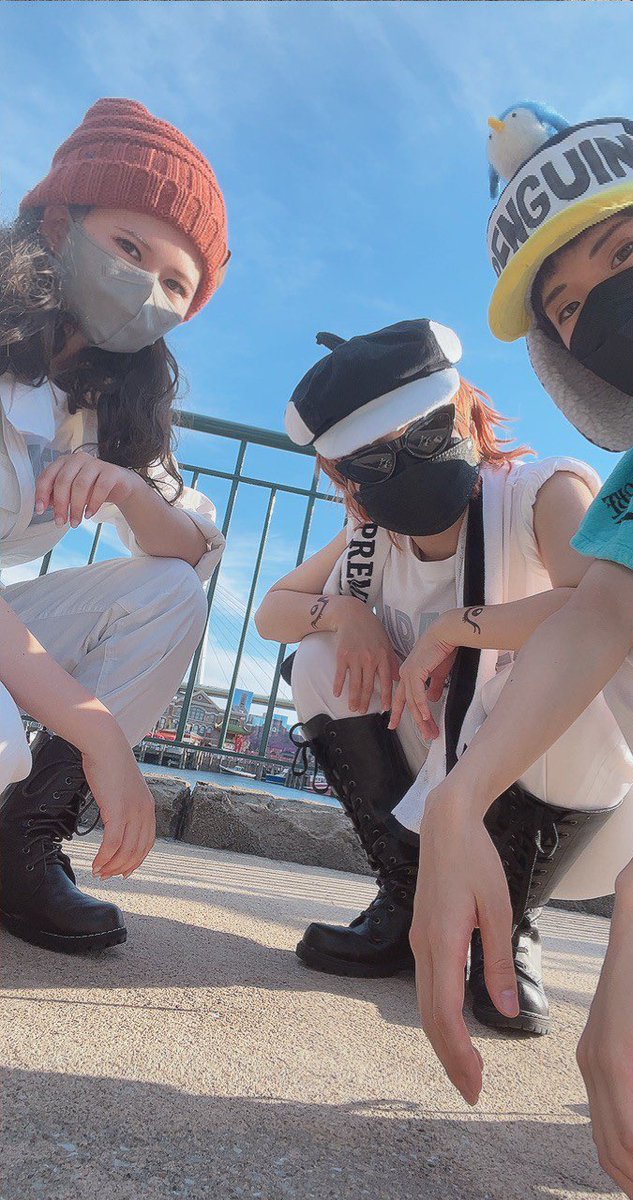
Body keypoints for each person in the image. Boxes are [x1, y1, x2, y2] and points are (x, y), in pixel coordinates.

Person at [397, 111, 633, 1200]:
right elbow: (601, 614)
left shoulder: (534, 488)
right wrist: (458, 800)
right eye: (567, 306)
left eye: (626, 249)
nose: (601, 303)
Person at [255, 318, 633, 1039]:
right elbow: (272, 613)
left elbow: (599, 606)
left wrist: (454, 627)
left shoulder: (539, 491)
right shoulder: (369, 541)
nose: (409, 459)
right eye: (374, 458)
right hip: (431, 753)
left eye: (428, 431)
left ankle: (507, 924)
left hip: (542, 780)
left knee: (590, 679)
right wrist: (344, 612)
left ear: (466, 412)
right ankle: (406, 896)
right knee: (316, 657)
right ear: (347, 478)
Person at [0, 97, 229, 954]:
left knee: (168, 591)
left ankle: (23, 843)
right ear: (59, 221)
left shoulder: (106, 404)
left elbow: (192, 549)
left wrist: (132, 493)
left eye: (176, 284)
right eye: (130, 249)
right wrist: (98, 734)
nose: (147, 291)